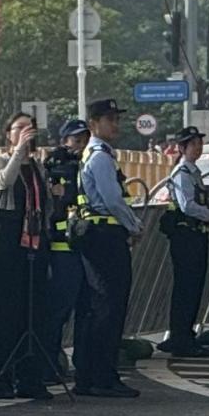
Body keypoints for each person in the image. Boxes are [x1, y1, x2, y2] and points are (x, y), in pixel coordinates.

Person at [0, 112, 52, 401]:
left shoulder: (38, 167)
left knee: (32, 313)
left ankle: (29, 377)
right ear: (8, 133)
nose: (24, 133)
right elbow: (1, 183)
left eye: (29, 129)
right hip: (5, 246)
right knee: (1, 314)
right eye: (18, 129)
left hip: (32, 248)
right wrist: (19, 151)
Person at [73, 98, 142, 398]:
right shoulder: (100, 156)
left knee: (98, 307)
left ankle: (91, 374)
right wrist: (134, 225)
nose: (115, 124)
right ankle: (102, 375)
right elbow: (112, 200)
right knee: (108, 306)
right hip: (105, 235)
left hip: (99, 235)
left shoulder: (97, 154)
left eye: (116, 118)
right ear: (94, 124)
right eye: (109, 119)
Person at [157, 126, 209, 358]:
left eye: (199, 144)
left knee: (193, 286)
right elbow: (188, 206)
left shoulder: (194, 172)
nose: (198, 148)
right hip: (186, 235)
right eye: (193, 144)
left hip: (196, 234)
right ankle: (181, 337)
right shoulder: (182, 173)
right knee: (187, 287)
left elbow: (203, 199)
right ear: (182, 148)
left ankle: (183, 334)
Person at [41, 117, 90, 383]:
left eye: (84, 139)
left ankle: (82, 363)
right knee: (58, 310)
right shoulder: (55, 165)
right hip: (62, 248)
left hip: (88, 246)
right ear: (64, 141)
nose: (81, 145)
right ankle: (49, 364)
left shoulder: (92, 162)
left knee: (87, 308)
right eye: (76, 140)